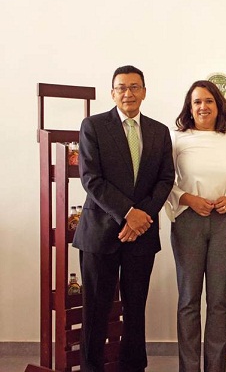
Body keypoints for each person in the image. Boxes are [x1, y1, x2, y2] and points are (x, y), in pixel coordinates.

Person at [73, 65, 175, 371]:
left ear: (144, 91)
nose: (128, 93)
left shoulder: (159, 131)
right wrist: (129, 214)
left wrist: (142, 217)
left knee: (135, 309)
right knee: (96, 310)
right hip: (99, 234)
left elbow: (165, 179)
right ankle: (92, 367)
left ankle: (133, 367)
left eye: (134, 87)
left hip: (142, 234)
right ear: (112, 92)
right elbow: (91, 179)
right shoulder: (93, 126)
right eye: (121, 87)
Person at [165, 80, 226, 372]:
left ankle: (216, 368)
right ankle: (188, 368)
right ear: (189, 107)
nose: (203, 107)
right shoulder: (177, 139)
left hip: (225, 222)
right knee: (189, 299)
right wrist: (188, 198)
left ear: (219, 106)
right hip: (189, 220)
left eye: (209, 101)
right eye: (197, 101)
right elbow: (165, 182)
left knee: (218, 301)